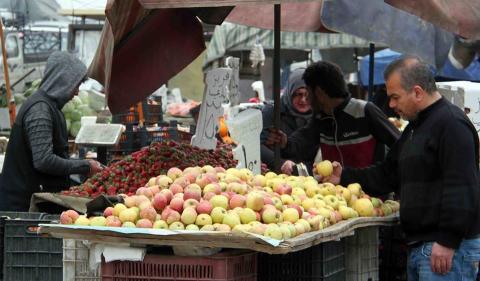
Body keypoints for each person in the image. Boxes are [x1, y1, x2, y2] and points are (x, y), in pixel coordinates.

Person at [322, 56, 480, 280]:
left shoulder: (452, 124)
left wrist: (447, 241)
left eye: (395, 97)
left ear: (417, 92)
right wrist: (344, 176)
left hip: (445, 251)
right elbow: (387, 174)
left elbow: (463, 188)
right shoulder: (414, 129)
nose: (391, 105)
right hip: (423, 248)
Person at [0, 51, 104, 211]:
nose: (77, 92)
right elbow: (43, 160)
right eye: (76, 85)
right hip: (24, 207)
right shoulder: (40, 111)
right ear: (62, 81)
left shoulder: (50, 107)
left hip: (37, 202)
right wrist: (85, 166)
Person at [266, 61, 400, 175]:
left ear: (319, 92)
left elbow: (401, 145)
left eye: (308, 92)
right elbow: (302, 141)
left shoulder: (365, 111)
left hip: (371, 199)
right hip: (335, 196)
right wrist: (285, 142)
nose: (306, 99)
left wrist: (384, 175)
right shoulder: (321, 118)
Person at [260, 68, 312, 172]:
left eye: (308, 95)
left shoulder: (317, 116)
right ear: (290, 92)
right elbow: (258, 145)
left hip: (309, 177)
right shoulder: (273, 111)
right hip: (275, 176)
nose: (303, 100)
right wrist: (281, 163)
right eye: (299, 94)